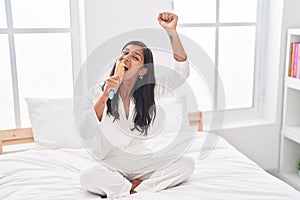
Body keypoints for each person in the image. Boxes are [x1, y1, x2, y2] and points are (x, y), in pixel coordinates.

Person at [79, 12, 195, 198]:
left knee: (187, 164)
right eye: (125, 53)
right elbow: (86, 129)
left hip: (141, 161)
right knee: (88, 176)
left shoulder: (151, 91)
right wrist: (105, 96)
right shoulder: (97, 92)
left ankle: (138, 189)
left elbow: (182, 72)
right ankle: (130, 189)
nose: (126, 57)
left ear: (143, 70)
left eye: (135, 57)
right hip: (108, 162)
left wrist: (171, 32)